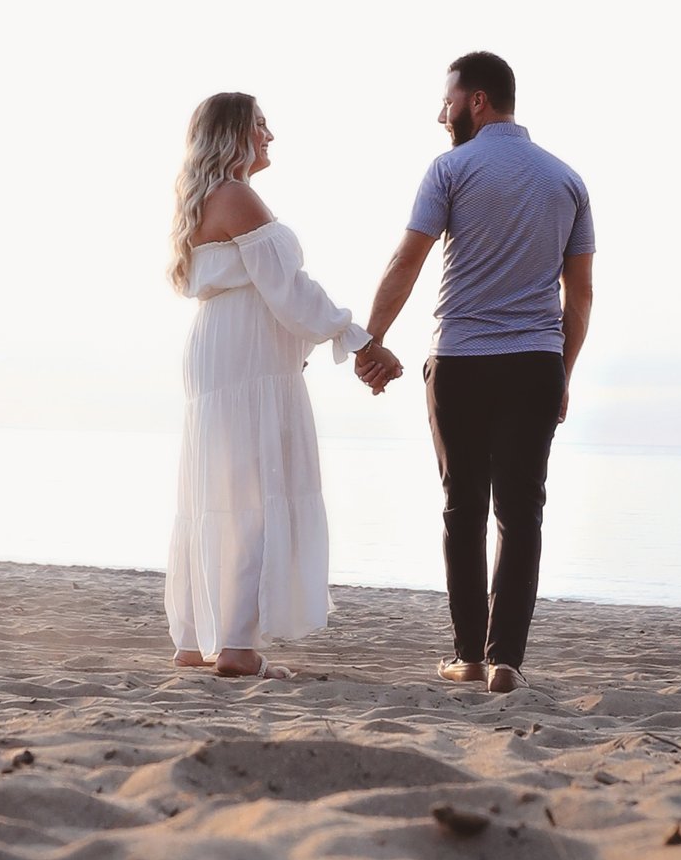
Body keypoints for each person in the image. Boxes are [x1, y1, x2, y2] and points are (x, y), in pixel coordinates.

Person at [356, 52, 593, 692]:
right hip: (535, 363)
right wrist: (563, 372)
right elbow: (582, 294)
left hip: (461, 361)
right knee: (522, 513)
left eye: (448, 100)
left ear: (478, 100)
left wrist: (371, 339)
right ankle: (506, 661)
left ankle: (466, 655)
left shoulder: (451, 170)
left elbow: (409, 259)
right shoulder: (567, 180)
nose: (442, 113)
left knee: (463, 508)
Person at [164, 91, 403, 676]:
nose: (271, 137)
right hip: (245, 357)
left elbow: (274, 291)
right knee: (253, 490)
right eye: (262, 127)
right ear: (234, 134)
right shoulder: (238, 195)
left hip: (225, 348)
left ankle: (198, 639)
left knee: (218, 487)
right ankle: (239, 649)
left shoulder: (205, 198)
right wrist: (358, 339)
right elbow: (290, 291)